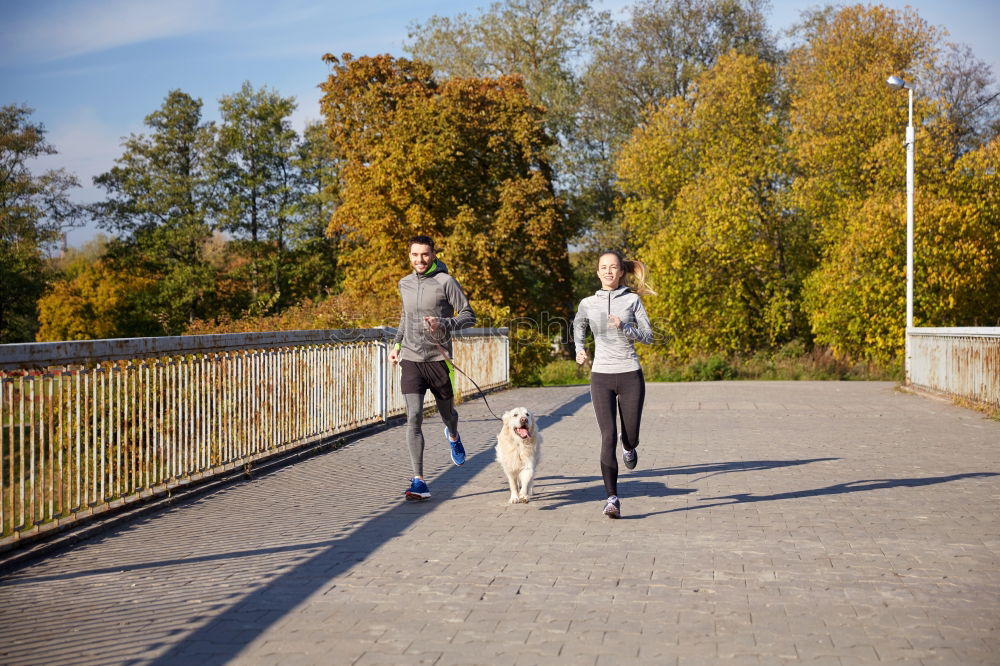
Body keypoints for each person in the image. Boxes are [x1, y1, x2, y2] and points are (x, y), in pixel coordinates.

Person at [389, 235, 476, 501]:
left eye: (425, 255)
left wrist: (442, 323)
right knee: (413, 416)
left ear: (433, 255)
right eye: (415, 255)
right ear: (409, 256)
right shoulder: (404, 283)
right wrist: (395, 345)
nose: (419, 260)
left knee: (447, 414)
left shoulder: (445, 282)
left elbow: (468, 316)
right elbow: (406, 317)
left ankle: (453, 434)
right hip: (412, 360)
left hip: (439, 361)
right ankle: (419, 481)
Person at [573, 251, 655, 518]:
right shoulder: (587, 303)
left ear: (621, 272)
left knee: (629, 435)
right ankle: (612, 499)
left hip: (630, 374)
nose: (608, 272)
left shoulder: (632, 300)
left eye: (613, 268)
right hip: (601, 376)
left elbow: (649, 336)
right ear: (597, 272)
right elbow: (578, 325)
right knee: (607, 435)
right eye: (603, 268)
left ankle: (629, 446)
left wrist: (624, 327)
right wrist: (579, 348)